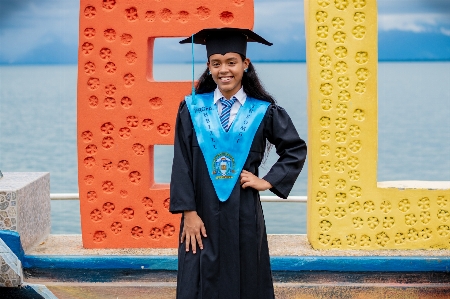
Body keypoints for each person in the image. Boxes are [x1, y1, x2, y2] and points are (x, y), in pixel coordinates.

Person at [170, 27, 307, 299]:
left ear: (245, 64)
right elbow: (181, 161)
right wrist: (188, 213)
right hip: (201, 213)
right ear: (208, 67)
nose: (224, 70)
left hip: (243, 212)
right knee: (198, 278)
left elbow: (294, 149)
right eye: (216, 63)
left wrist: (266, 180)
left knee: (245, 277)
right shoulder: (193, 108)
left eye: (231, 62)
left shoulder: (263, 111)